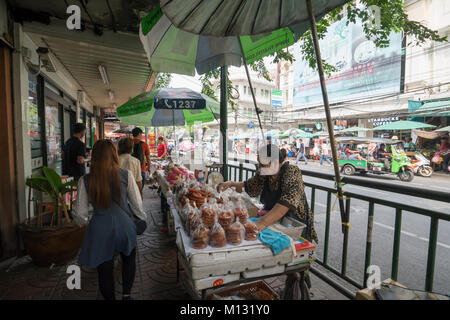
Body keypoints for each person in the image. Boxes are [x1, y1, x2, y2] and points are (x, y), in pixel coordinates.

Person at [218, 144, 317, 298]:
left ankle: (302, 290)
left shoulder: (292, 172)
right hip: (275, 221)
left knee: (297, 264)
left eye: (265, 164)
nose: (261, 167)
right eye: (259, 164)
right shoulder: (265, 173)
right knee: (284, 262)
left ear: (277, 162)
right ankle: (291, 290)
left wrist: (261, 223)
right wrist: (231, 184)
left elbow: (287, 201)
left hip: (293, 222)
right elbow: (249, 186)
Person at [73, 140, 147, 300]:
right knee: (129, 259)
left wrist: (89, 219)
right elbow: (137, 205)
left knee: (104, 270)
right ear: (114, 155)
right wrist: (142, 219)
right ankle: (127, 295)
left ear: (94, 157)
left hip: (100, 228)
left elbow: (80, 215)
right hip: (125, 226)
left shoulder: (84, 180)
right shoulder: (125, 175)